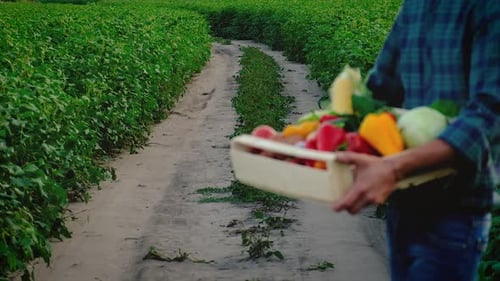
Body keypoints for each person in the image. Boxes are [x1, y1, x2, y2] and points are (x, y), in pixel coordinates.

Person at [332, 1, 499, 280]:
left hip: (455, 210)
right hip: (404, 200)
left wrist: (395, 167)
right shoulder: (416, 6)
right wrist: (310, 138)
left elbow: (489, 113)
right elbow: (381, 90)